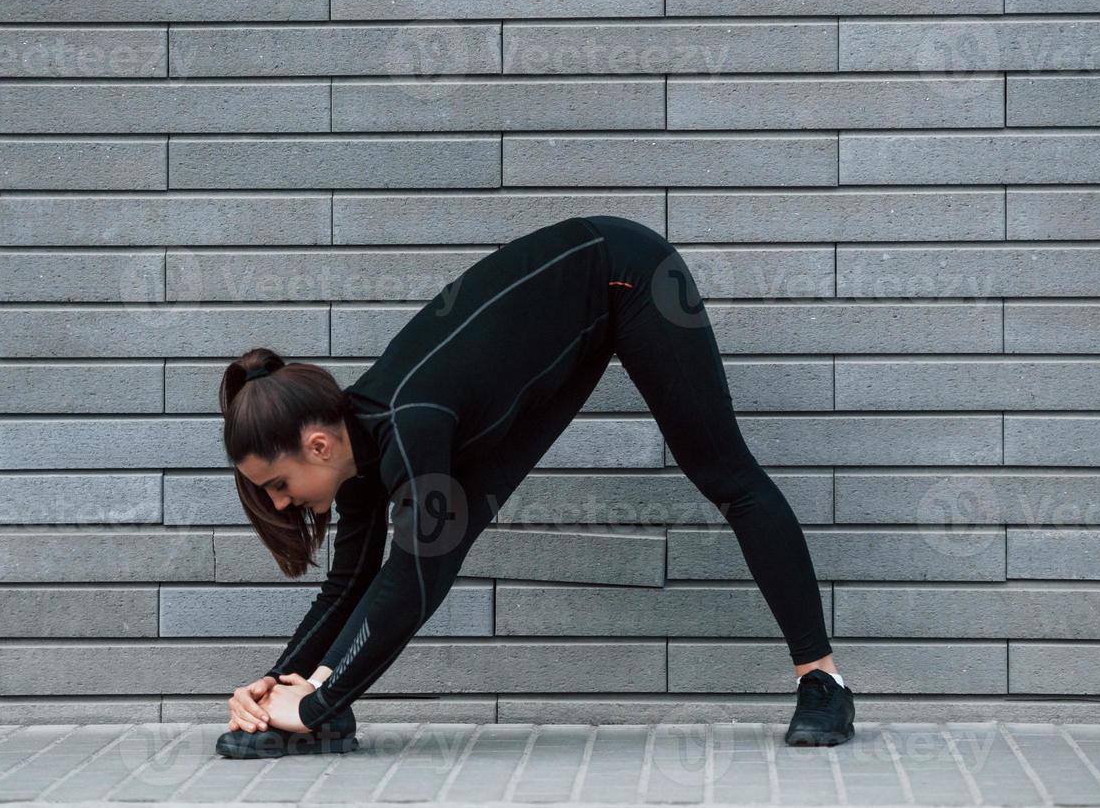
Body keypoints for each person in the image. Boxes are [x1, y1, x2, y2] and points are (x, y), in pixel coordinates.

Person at [215, 214, 854, 757]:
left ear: (317, 445)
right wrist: (277, 681)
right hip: (574, 318)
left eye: (276, 483)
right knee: (437, 539)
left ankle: (824, 683)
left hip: (630, 276)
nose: (277, 503)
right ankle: (330, 702)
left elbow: (418, 569)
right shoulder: (360, 449)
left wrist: (319, 696)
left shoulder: (409, 424)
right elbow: (350, 581)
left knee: (726, 476)